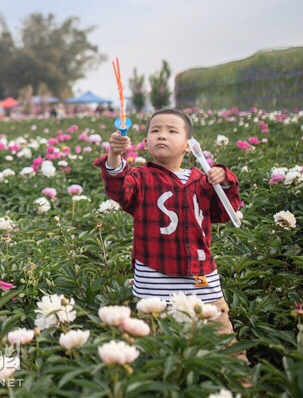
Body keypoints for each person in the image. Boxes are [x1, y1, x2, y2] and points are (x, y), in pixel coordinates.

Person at [94, 109, 245, 353]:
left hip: (202, 277)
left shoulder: (203, 180)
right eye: (155, 131)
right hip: (154, 280)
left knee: (220, 340)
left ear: (189, 146)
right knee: (155, 345)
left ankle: (239, 385)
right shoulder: (141, 178)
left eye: (172, 131)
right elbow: (119, 187)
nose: (162, 135)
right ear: (145, 143)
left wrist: (225, 181)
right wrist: (114, 155)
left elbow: (226, 213)